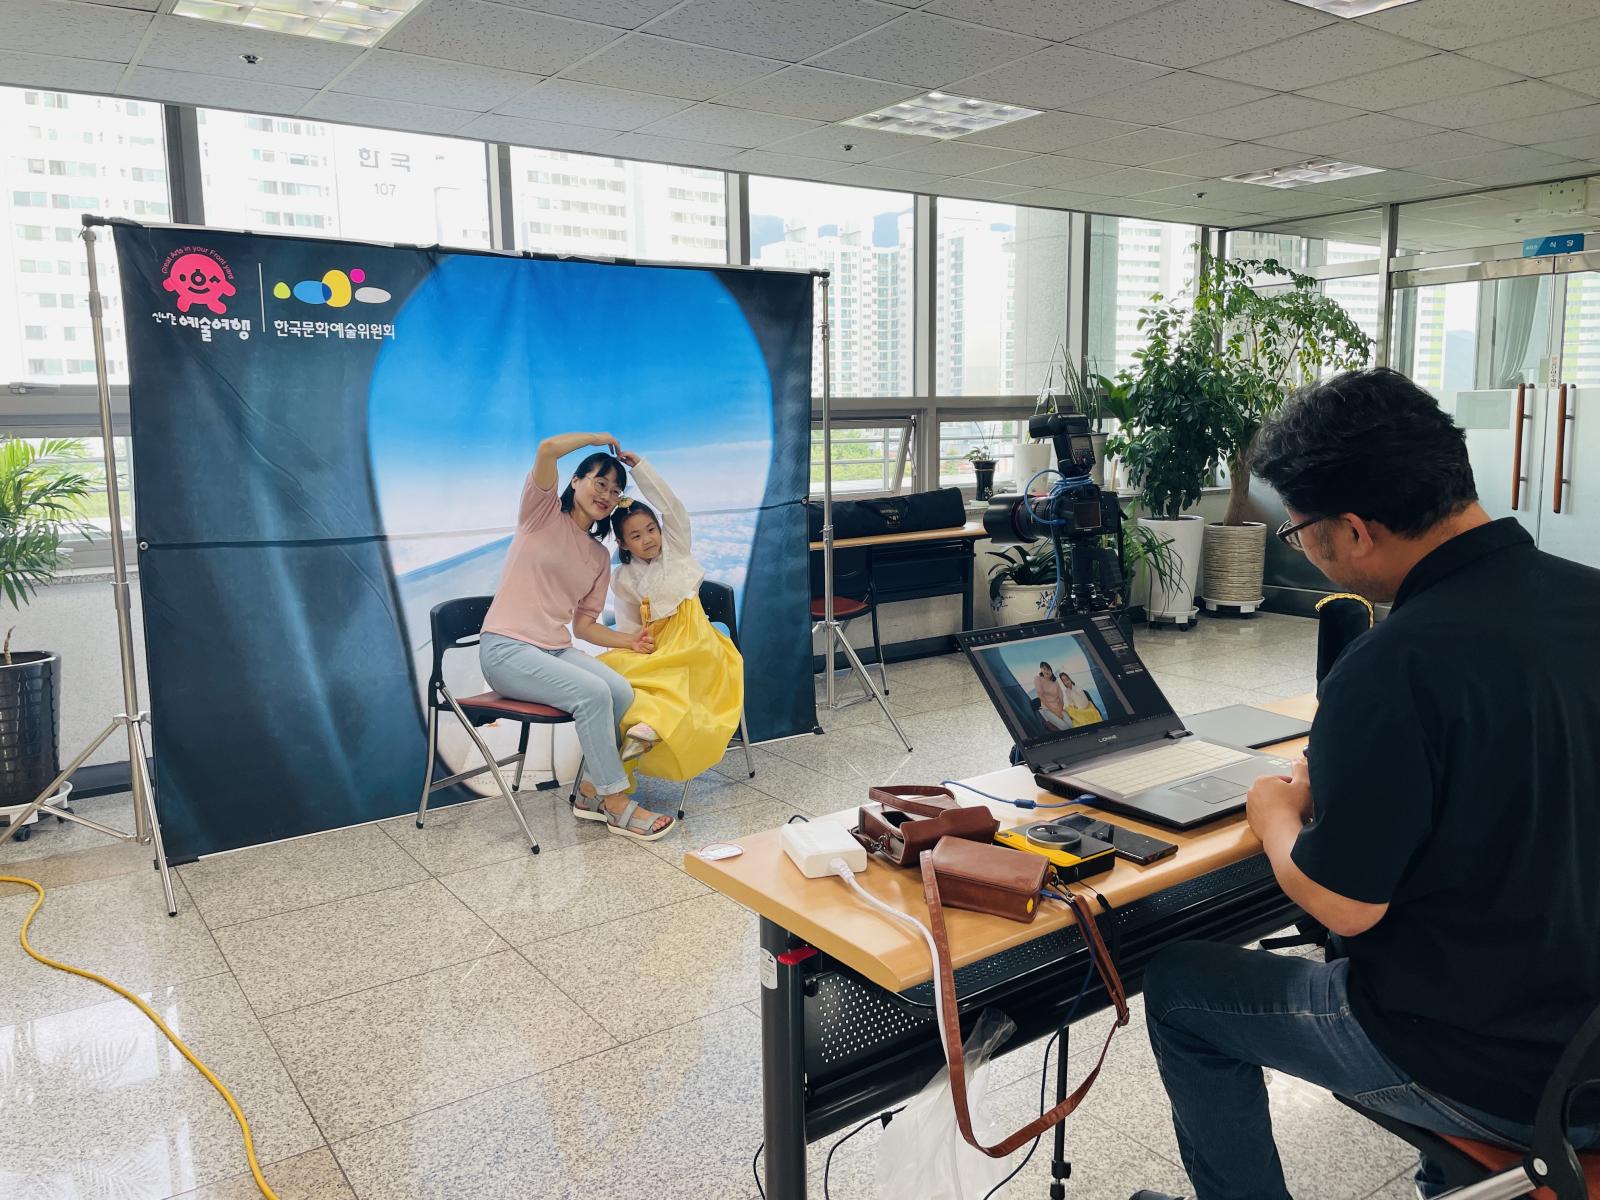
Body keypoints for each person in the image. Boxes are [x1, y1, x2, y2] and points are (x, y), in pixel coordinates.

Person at [1138, 368, 1600, 1200]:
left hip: (1498, 1071)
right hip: (1584, 1043)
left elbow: (1344, 906)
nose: (1304, 550)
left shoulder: (1394, 665)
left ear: (1353, 531)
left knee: (1178, 988)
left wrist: (1275, 814)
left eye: (1298, 531)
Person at [478, 431, 676, 842]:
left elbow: (584, 625)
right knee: (593, 694)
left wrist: (630, 642)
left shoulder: (599, 556)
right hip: (505, 649)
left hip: (553, 649)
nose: (607, 495)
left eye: (615, 490)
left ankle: (589, 791)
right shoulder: (540, 514)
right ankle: (616, 803)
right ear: (575, 481)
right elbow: (547, 450)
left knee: (620, 691)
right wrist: (596, 439)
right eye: (599, 483)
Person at [599, 455, 744, 784]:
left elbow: (672, 507)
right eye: (636, 536)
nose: (648, 539)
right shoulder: (623, 578)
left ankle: (652, 726)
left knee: (676, 678)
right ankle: (638, 732)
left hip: (694, 638)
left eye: (651, 530)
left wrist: (640, 468)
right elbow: (629, 625)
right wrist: (634, 646)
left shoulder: (676, 551)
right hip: (657, 642)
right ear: (622, 543)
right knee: (615, 672)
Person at [1035, 663, 1070, 731]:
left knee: (1071, 724)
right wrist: (1056, 712)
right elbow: (1041, 696)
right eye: (1044, 669)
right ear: (1041, 670)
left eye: (1048, 669)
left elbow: (1061, 698)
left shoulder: (1055, 682)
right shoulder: (1038, 679)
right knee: (1064, 727)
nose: (1047, 671)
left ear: (1051, 671)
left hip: (1059, 708)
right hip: (1048, 709)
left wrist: (1060, 710)